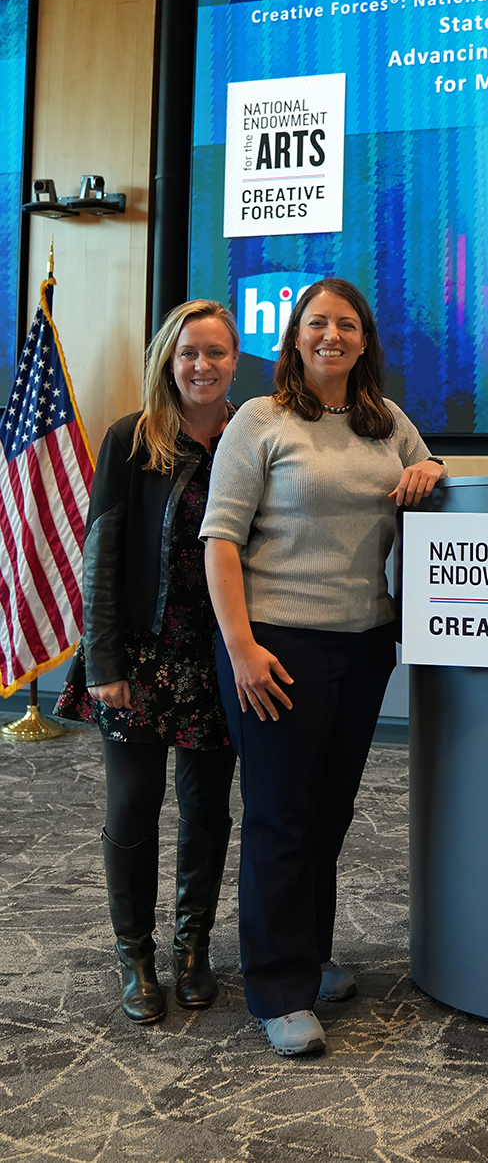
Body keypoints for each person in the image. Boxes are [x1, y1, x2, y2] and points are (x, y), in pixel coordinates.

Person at [201, 277, 444, 1058]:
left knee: (329, 812)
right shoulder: (258, 420)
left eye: (346, 324)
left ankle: (306, 958)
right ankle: (277, 988)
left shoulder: (384, 421)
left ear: (365, 339)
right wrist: (240, 648)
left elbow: (427, 466)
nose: (330, 335)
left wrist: (430, 472)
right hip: (275, 645)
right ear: (295, 337)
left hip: (362, 642)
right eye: (316, 324)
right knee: (281, 817)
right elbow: (220, 542)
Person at [56, 300, 241, 1023]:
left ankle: (191, 948)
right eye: (188, 352)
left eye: (216, 353)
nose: (201, 365)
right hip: (137, 657)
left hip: (217, 658)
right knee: (133, 805)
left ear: (235, 361)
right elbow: (101, 555)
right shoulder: (133, 438)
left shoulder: (250, 435)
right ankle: (135, 954)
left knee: (206, 808)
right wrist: (102, 658)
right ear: (169, 358)